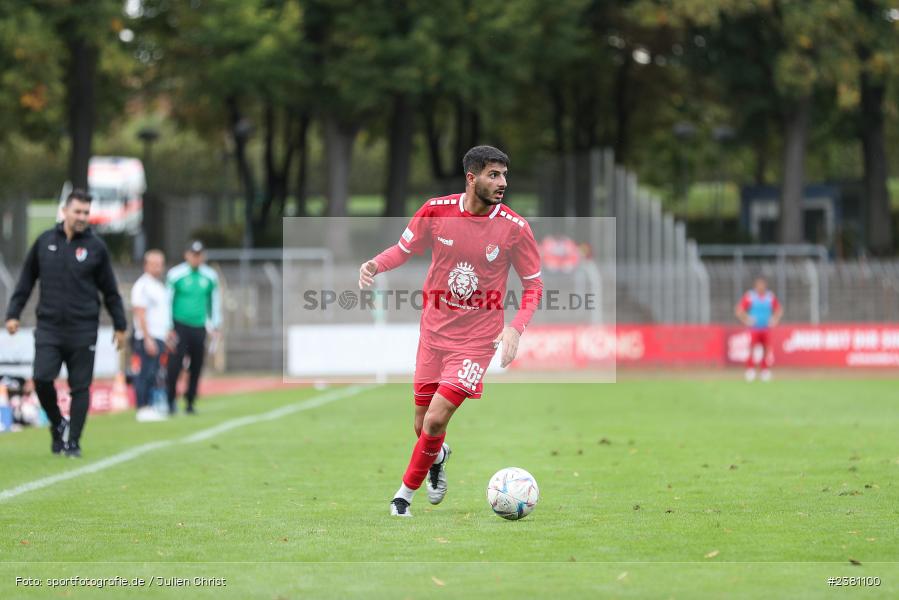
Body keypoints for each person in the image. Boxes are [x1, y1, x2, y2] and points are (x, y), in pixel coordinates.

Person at [358, 146, 543, 517]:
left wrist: (515, 329)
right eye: (493, 174)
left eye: (505, 175)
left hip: (476, 341)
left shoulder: (515, 228)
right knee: (421, 423)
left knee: (437, 418)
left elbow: (534, 287)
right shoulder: (436, 210)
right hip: (433, 333)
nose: (502, 182)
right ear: (471, 178)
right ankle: (438, 456)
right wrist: (375, 264)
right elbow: (402, 250)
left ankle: (402, 498)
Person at [4, 189, 127, 457]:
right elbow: (26, 281)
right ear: (65, 211)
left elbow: (110, 291)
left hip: (83, 329)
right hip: (49, 327)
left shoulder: (96, 248)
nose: (82, 216)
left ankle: (74, 442)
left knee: (80, 387)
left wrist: (120, 326)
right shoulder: (45, 241)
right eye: (78, 211)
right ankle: (58, 423)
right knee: (41, 379)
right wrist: (13, 313)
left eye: (86, 212)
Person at [165, 240, 221, 415]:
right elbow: (167, 301)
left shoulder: (210, 276)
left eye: (199, 255)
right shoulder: (176, 274)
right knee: (174, 364)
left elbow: (215, 302)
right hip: (179, 325)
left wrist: (215, 324)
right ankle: (170, 400)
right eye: (193, 254)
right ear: (187, 255)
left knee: (196, 365)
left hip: (199, 325)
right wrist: (168, 326)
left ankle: (190, 401)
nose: (196, 258)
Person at [131, 249, 172, 422]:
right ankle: (142, 406)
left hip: (159, 335)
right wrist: (147, 337)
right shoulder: (143, 286)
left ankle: (149, 405)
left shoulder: (159, 286)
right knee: (145, 372)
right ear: (146, 265)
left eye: (160, 264)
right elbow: (140, 313)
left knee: (154, 371)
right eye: (154, 264)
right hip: (148, 336)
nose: (158, 268)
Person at [735, 276, 783, 382]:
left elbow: (778, 310)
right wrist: (747, 319)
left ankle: (764, 370)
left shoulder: (769, 297)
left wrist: (774, 320)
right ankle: (750, 370)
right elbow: (739, 310)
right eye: (759, 285)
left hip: (765, 328)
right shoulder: (750, 296)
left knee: (766, 349)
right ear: (755, 286)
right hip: (754, 329)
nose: (761, 287)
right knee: (752, 348)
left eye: (762, 285)